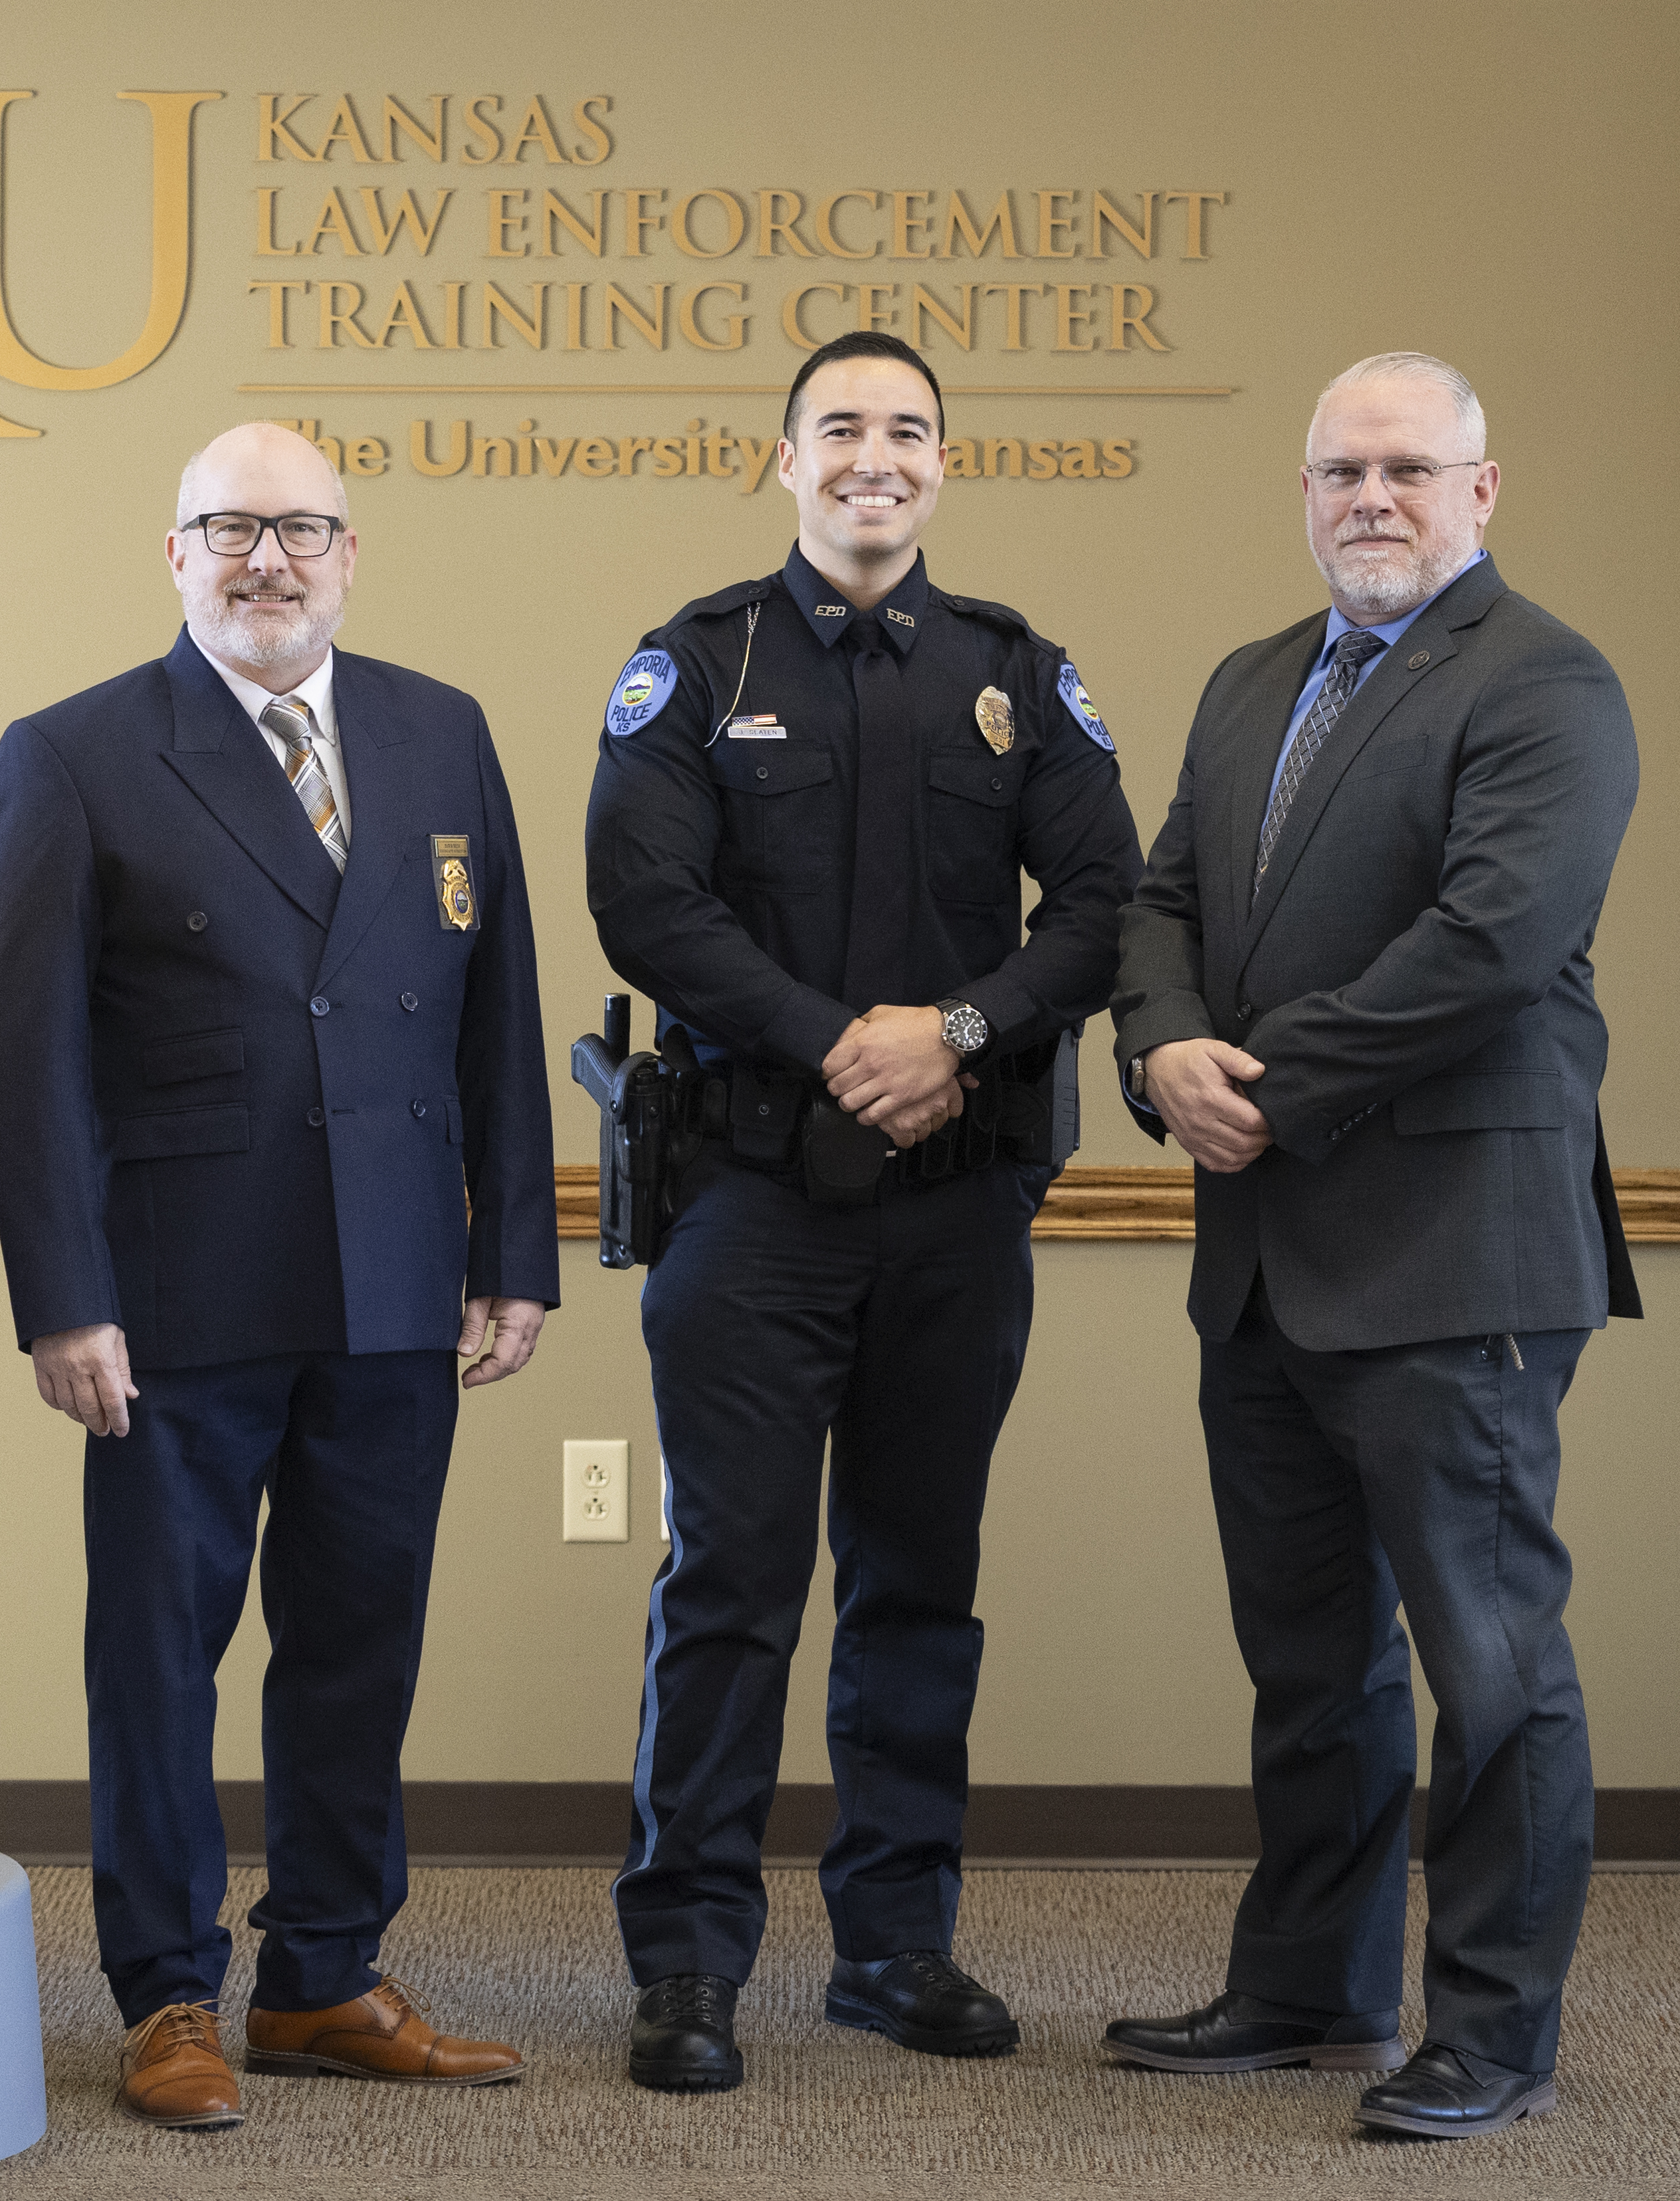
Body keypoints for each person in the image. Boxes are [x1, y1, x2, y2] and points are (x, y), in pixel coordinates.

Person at [0, 423, 558, 2131]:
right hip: (169, 1298)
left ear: (350, 556)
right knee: (159, 1650)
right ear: (174, 556)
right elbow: (28, 1060)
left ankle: (321, 1973)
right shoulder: (73, 755)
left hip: (393, 1280)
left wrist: (510, 1245)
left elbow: (496, 1005)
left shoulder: (437, 731)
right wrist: (64, 1299)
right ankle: (167, 1993)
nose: (268, 560)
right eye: (229, 529)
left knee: (358, 1642)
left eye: (302, 531)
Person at [584, 332, 1142, 2093]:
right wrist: (847, 1042)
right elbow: (644, 904)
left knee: (920, 1583)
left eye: (906, 431)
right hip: (750, 1203)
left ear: (941, 465)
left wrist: (959, 1035)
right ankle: (687, 1966)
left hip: (957, 1208)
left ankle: (897, 1950)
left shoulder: (1017, 679)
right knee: (730, 1583)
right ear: (786, 458)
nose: (873, 458)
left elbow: (1110, 900)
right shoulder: (695, 666)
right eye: (842, 429)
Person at [1101, 352, 1640, 2140]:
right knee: (1309, 1658)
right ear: (1306, 493)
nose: (1373, 498)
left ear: (1483, 491)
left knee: (1489, 1667)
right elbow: (1161, 900)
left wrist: (1259, 1086)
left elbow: (1494, 942)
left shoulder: (1548, 683)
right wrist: (1158, 1052)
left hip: (1453, 1256)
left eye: (1411, 467)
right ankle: (1308, 1986)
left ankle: (1491, 2033)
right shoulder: (1259, 680)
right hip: (1265, 1254)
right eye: (1342, 470)